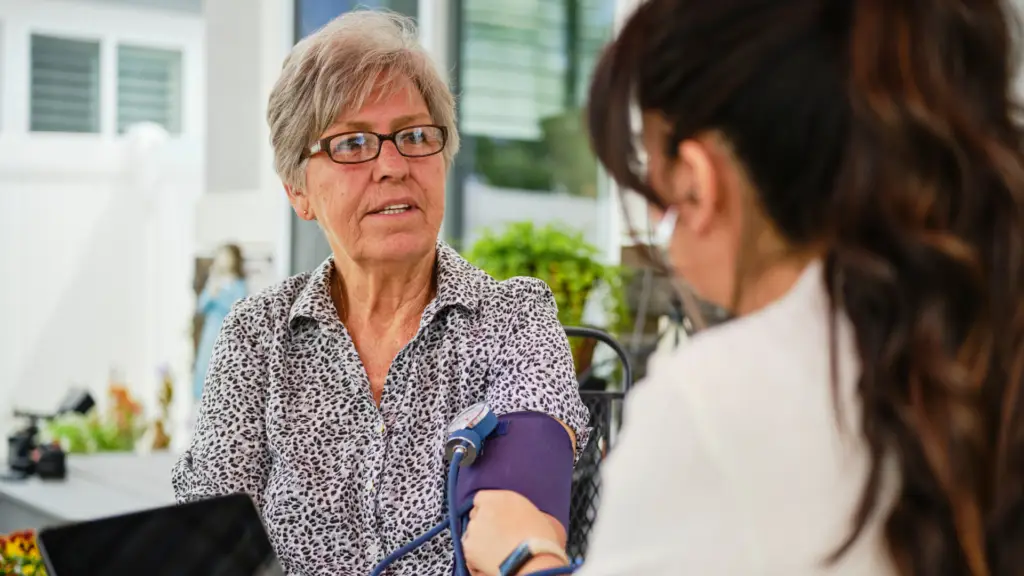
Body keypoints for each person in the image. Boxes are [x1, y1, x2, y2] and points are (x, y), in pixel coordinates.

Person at [461, 0, 1024, 575]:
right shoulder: (982, 336)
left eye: (657, 195)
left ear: (698, 185)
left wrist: (525, 558)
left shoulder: (713, 405)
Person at [171, 10, 589, 576]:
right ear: (299, 190)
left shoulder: (513, 318)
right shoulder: (257, 337)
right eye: (352, 144)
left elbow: (517, 509)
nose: (393, 165)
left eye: (416, 136)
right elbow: (211, 540)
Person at [192, 243, 247, 402]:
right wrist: (211, 291)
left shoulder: (238, 285)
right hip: (210, 333)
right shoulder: (214, 282)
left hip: (229, 334)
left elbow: (237, 307)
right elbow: (201, 307)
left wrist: (219, 297)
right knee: (205, 367)